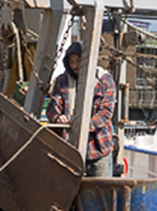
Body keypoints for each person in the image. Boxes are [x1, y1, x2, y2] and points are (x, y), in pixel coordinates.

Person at [46, 41, 116, 178]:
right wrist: (57, 117)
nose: (74, 66)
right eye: (71, 62)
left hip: (98, 148)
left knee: (100, 193)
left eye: (78, 61)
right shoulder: (62, 81)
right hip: (70, 150)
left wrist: (85, 126)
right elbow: (53, 107)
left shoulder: (105, 80)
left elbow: (106, 112)